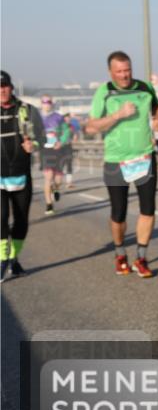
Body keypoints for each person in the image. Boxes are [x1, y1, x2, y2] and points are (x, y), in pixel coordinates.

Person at [84, 51, 158, 278]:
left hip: (144, 157)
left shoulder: (145, 87)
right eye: (119, 71)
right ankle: (120, 253)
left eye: (127, 70)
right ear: (110, 72)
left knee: (148, 209)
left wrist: (157, 119)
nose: (124, 75)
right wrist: (118, 115)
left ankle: (141, 257)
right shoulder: (105, 92)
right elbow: (91, 127)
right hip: (116, 161)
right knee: (119, 213)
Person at [1, 70, 44, 281]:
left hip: (21, 175)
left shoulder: (27, 110)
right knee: (0, 219)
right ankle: (2, 260)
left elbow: (42, 138)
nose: (2, 90)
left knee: (21, 221)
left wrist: (33, 144)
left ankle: (14, 259)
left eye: (4, 86)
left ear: (11, 87)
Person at [39, 96, 71, 215]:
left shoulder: (58, 117)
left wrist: (61, 142)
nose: (46, 104)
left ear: (52, 104)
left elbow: (66, 131)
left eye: (48, 102)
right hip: (45, 151)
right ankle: (49, 205)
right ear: (41, 104)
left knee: (58, 180)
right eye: (44, 102)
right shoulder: (37, 118)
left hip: (58, 150)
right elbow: (33, 132)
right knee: (48, 177)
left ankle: (55, 188)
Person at [61, 113, 77, 189]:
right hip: (60, 147)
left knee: (69, 163)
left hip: (68, 146)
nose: (68, 119)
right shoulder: (61, 126)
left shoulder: (71, 126)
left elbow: (74, 135)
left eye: (69, 118)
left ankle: (69, 182)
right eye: (66, 118)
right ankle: (57, 180)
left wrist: (74, 136)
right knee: (61, 164)